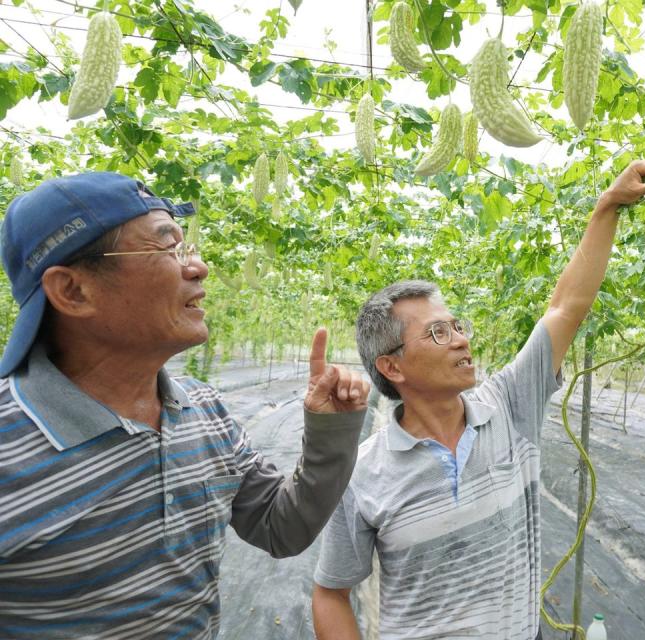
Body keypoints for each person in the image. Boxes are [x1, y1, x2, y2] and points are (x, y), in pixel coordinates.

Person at [0, 172, 369, 639]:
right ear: (74, 291)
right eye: (168, 247)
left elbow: (282, 528)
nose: (198, 267)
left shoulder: (204, 410)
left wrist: (330, 435)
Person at [311, 159, 645, 639]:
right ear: (391, 366)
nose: (460, 339)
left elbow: (567, 306)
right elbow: (331, 593)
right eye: (437, 332)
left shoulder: (510, 406)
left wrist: (608, 206)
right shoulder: (359, 473)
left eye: (458, 326)